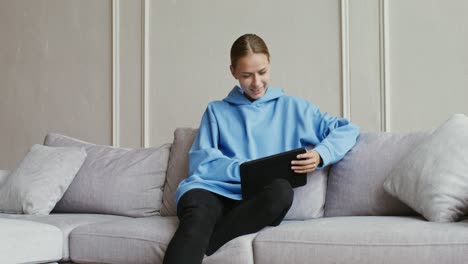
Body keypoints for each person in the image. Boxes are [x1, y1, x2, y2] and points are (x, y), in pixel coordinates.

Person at [163, 33, 360, 264]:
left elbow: (348, 129)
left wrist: (320, 154)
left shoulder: (294, 108)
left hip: (254, 200)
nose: (256, 83)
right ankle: (205, 236)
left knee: (281, 192)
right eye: (247, 75)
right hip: (210, 190)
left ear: (270, 65)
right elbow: (202, 162)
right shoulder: (216, 111)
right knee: (197, 219)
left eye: (262, 72)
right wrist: (244, 170)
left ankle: (210, 240)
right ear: (233, 72)